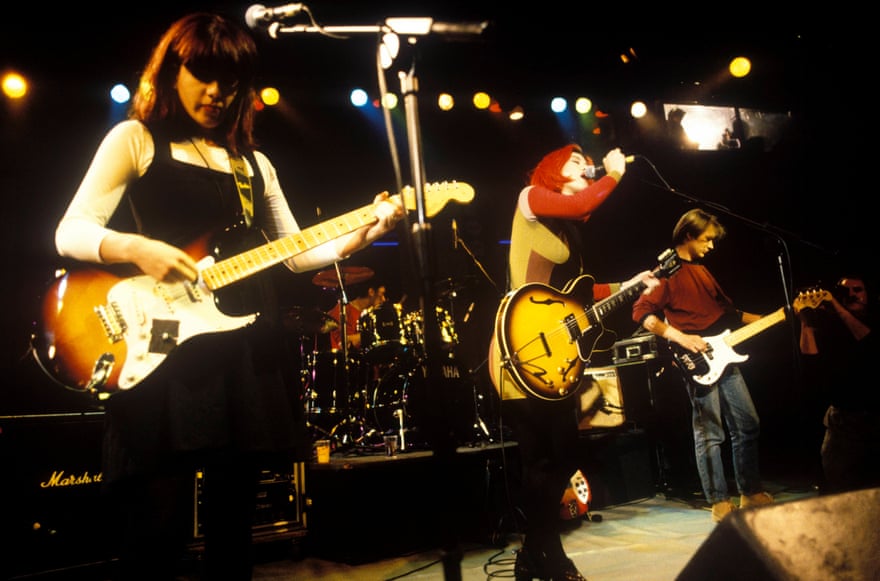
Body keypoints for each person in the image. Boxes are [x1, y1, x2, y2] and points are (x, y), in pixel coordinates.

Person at [52, 13, 403, 580]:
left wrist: (365, 226)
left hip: (242, 352)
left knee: (232, 528)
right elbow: (70, 230)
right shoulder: (136, 139)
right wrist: (137, 249)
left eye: (230, 81)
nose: (216, 93)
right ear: (173, 72)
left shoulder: (253, 164)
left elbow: (295, 252)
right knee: (155, 526)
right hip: (160, 351)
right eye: (203, 75)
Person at [488, 143, 658, 581]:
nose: (586, 164)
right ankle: (550, 557)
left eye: (588, 160)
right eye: (575, 160)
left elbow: (578, 297)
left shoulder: (568, 233)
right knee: (539, 457)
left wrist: (628, 284)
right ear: (551, 171)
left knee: (560, 456)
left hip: (557, 352)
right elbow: (586, 199)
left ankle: (534, 552)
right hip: (520, 346)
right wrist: (614, 174)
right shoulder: (529, 199)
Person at [631, 208, 774, 523]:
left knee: (748, 423)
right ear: (688, 236)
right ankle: (719, 501)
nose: (712, 245)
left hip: (722, 352)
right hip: (696, 360)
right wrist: (681, 338)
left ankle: (749, 492)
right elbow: (642, 313)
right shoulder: (665, 273)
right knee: (710, 431)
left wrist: (777, 317)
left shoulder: (704, 271)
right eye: (707, 239)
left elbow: (730, 313)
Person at [796, 274, 880, 494]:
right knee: (837, 486)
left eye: (857, 290)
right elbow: (810, 359)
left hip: (874, 415)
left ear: (868, 294)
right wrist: (806, 321)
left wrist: (835, 303)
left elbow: (868, 342)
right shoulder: (830, 323)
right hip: (843, 419)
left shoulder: (873, 320)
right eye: (845, 292)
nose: (851, 295)